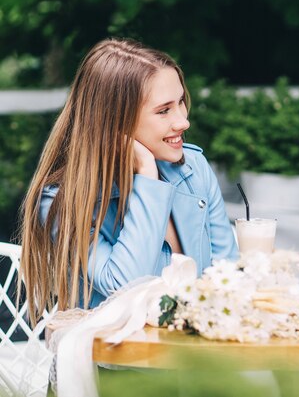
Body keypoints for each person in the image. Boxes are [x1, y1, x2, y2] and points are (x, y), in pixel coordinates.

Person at [19, 38, 237, 324]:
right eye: (164, 110)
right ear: (115, 121)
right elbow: (124, 288)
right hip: (118, 361)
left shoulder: (193, 168)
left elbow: (229, 275)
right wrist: (147, 175)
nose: (183, 121)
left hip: (198, 354)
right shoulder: (63, 201)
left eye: (181, 102)